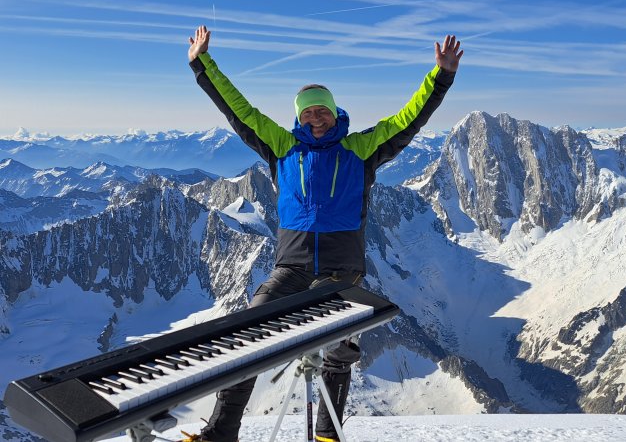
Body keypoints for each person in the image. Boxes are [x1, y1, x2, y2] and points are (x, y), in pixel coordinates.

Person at [185, 25, 463, 442]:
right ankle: (221, 433)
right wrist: (202, 65)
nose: (315, 117)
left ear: (335, 113)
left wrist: (440, 77)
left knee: (337, 344)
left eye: (322, 110)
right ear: (298, 119)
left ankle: (327, 434)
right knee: (245, 333)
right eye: (307, 112)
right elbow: (239, 111)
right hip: (290, 267)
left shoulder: (360, 149)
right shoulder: (282, 147)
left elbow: (409, 119)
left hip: (340, 269)